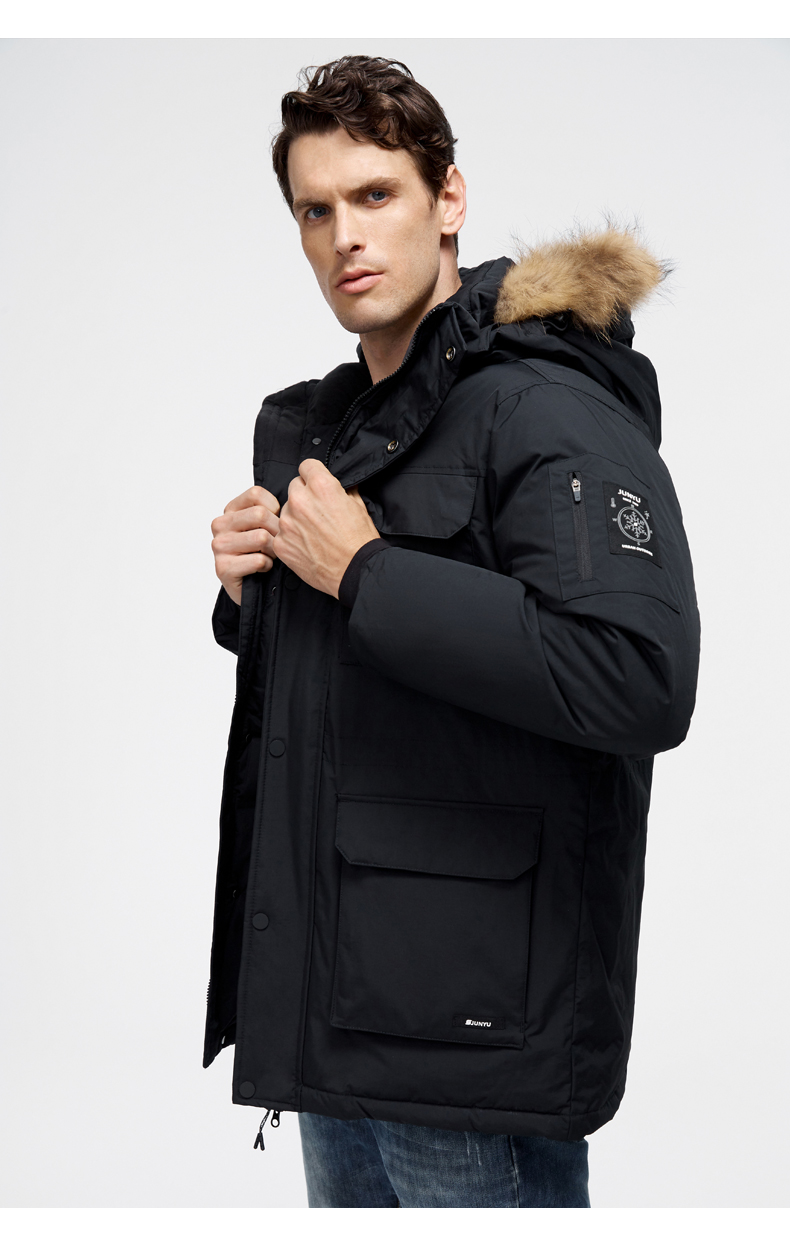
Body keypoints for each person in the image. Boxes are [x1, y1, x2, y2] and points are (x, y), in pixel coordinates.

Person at [205, 55, 700, 1209]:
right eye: (314, 210)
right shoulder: (353, 423)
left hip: (469, 1043)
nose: (344, 236)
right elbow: (381, 692)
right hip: (345, 1013)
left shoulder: (544, 404)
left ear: (448, 201)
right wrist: (256, 597)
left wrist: (366, 571)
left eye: (375, 194)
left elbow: (636, 676)